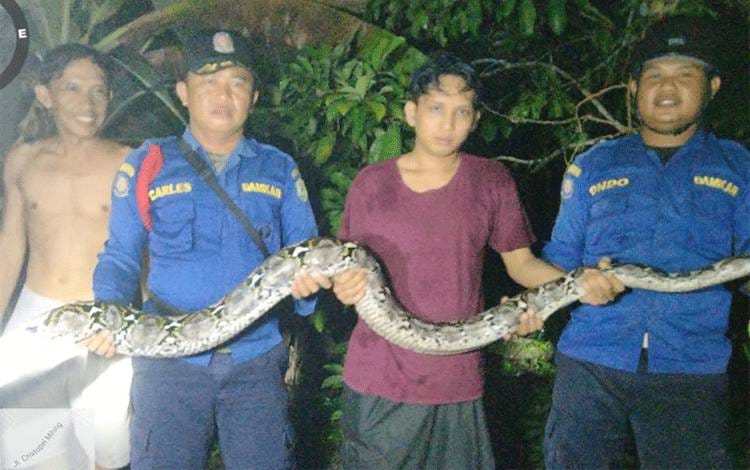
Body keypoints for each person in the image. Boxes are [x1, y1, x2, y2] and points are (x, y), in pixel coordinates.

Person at [293, 52, 624, 469]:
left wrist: (578, 284)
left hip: (459, 380)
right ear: (411, 112)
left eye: (461, 111)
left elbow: (522, 266)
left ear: (476, 120)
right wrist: (344, 289)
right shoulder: (371, 183)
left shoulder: (491, 180)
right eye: (436, 108)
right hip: (380, 379)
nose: (447, 124)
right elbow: (346, 271)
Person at [91, 29, 318, 469]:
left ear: (254, 96)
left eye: (237, 82)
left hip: (257, 360)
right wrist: (108, 312)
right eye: (208, 81)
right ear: (183, 92)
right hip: (168, 365)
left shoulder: (278, 167)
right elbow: (120, 257)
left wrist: (309, 289)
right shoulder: (147, 163)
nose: (223, 94)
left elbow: (306, 255)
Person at [541, 16, 750, 469]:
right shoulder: (594, 164)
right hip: (590, 364)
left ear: (713, 86)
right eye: (654, 75)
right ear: (634, 88)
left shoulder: (740, 168)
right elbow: (557, 262)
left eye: (685, 74)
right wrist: (532, 307)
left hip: (692, 368)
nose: (667, 87)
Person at [0, 43, 132, 470]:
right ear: (45, 95)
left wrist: (138, 326)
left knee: (104, 455)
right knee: (32, 452)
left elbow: (145, 252)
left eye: (99, 91)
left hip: (106, 320)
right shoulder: (22, 160)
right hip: (35, 319)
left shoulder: (129, 163)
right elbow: (10, 246)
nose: (87, 104)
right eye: (72, 88)